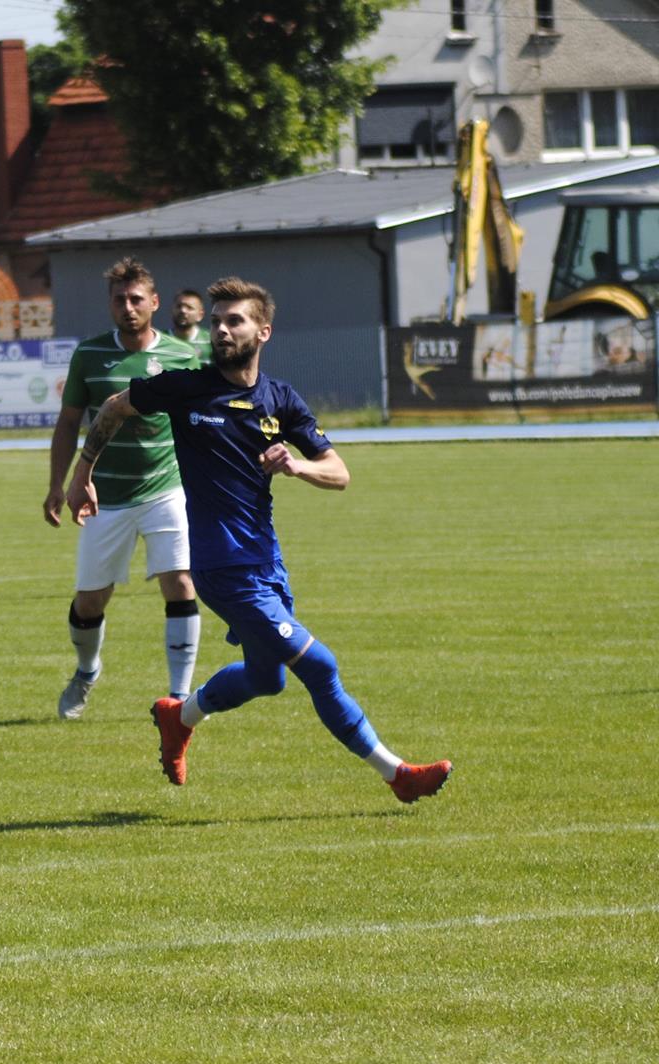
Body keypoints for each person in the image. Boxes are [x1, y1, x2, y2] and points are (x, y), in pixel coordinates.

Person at [65, 277, 452, 803]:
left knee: (267, 678)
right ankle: (398, 775)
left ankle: (180, 716)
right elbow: (114, 407)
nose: (221, 330)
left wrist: (296, 465)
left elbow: (338, 472)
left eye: (234, 321)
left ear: (263, 331)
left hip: (266, 562)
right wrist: (82, 469)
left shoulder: (280, 399)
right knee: (320, 666)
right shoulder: (187, 387)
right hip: (222, 569)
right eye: (217, 321)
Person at [43, 257, 204, 722]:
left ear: (154, 303)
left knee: (180, 582)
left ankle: (178, 698)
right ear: (110, 305)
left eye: (137, 299)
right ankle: (87, 670)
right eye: (120, 300)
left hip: (165, 488)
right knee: (91, 599)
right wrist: (58, 484)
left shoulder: (181, 356)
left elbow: (195, 423)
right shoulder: (90, 355)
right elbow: (69, 421)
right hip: (104, 497)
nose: (129, 307)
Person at [169, 289, 214, 364]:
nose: (183, 310)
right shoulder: (159, 339)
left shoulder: (211, 341)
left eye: (189, 307)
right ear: (172, 310)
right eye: (179, 306)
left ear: (200, 315)